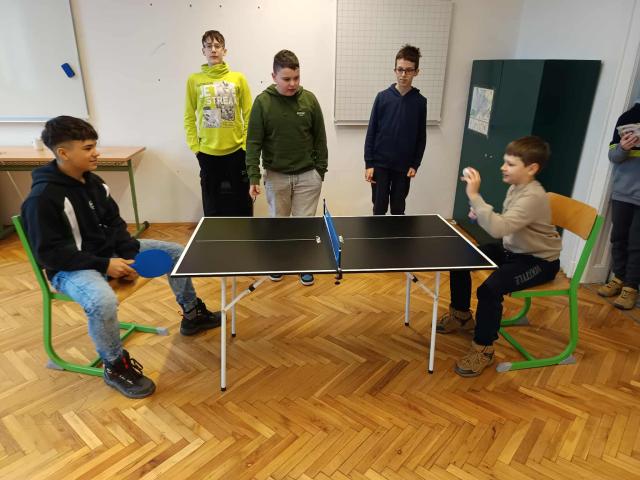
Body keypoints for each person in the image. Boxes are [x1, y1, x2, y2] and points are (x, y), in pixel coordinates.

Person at [21, 116, 221, 399]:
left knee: (177, 253)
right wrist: (105, 265)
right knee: (102, 301)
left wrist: (128, 255)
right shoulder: (41, 198)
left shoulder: (95, 183)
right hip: (69, 269)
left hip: (109, 254)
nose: (96, 153)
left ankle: (192, 315)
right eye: (88, 148)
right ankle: (115, 365)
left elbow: (115, 223)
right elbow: (49, 254)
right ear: (63, 153)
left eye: (95, 146)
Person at [437, 136, 562, 377]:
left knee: (489, 290)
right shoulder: (516, 187)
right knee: (460, 257)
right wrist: (481, 215)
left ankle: (483, 349)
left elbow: (498, 228)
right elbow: (505, 224)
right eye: (505, 162)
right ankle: (461, 316)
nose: (503, 167)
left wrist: (474, 195)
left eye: (510, 164)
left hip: (539, 261)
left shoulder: (533, 196)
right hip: (512, 250)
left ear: (531, 168)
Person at [245, 49, 328, 286]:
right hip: (276, 175)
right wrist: (253, 176)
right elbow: (253, 142)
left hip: (308, 176)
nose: (293, 84)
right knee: (278, 226)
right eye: (286, 79)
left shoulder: (309, 100)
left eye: (296, 78)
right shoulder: (263, 102)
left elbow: (320, 138)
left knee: (304, 226)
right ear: (274, 76)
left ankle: (304, 265)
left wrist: (320, 171)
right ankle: (279, 263)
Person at [184, 30, 253, 217]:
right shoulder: (194, 80)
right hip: (207, 154)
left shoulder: (238, 79)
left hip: (237, 152)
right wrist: (196, 148)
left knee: (242, 205)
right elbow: (189, 117)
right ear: (203, 51)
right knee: (212, 207)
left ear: (224, 50)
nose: (213, 50)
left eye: (217, 46)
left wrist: (245, 146)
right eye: (209, 46)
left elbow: (249, 114)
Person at [364, 44, 427, 215]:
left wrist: (415, 164)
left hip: (403, 167)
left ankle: (396, 234)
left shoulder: (420, 102)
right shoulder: (382, 97)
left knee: (398, 208)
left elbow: (421, 137)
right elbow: (371, 132)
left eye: (408, 70)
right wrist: (369, 163)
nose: (403, 74)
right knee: (379, 207)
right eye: (400, 69)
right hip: (380, 164)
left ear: (416, 72)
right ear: (395, 70)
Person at [597, 99, 640, 310]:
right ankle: (619, 278)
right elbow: (613, 156)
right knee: (618, 238)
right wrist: (623, 147)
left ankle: (631, 287)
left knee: (636, 243)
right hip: (623, 193)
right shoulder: (627, 117)